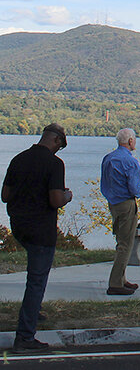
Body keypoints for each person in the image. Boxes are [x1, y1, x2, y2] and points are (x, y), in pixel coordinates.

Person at [2, 124, 72, 353]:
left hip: (19, 227)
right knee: (36, 282)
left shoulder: (18, 159)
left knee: (35, 280)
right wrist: (67, 196)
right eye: (59, 147)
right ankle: (24, 337)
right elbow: (55, 200)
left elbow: (5, 196)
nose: (58, 151)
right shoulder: (54, 164)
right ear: (56, 141)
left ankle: (32, 313)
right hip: (41, 230)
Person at [100, 128, 140, 296]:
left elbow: (103, 184)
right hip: (126, 204)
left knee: (121, 241)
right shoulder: (130, 162)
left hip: (113, 203)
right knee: (126, 244)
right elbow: (134, 189)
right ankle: (115, 284)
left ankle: (122, 279)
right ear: (131, 141)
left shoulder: (108, 159)